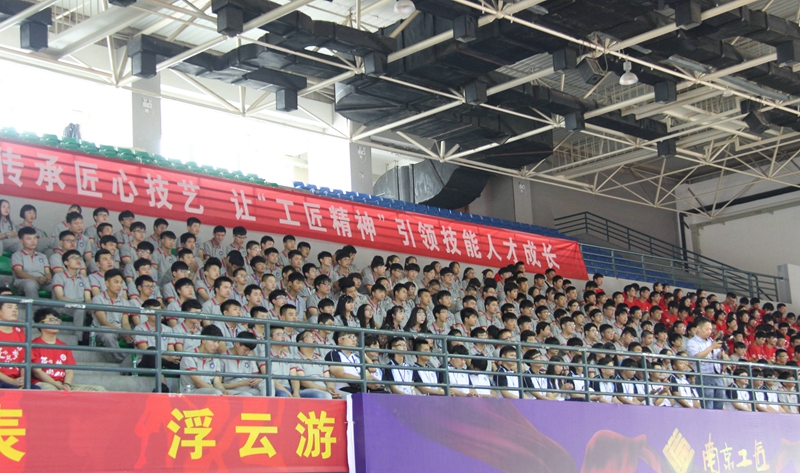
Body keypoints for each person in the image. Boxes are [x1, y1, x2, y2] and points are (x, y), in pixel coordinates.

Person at [30, 308, 105, 391]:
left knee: (99, 390)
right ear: (40, 323)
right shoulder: (34, 345)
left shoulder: (63, 346)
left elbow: (69, 370)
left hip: (62, 384)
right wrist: (58, 386)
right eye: (52, 320)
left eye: (57, 320)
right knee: (52, 391)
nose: (56, 323)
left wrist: (67, 385)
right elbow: (37, 372)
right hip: (43, 383)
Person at [134, 299, 180, 392]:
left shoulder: (168, 329)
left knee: (183, 360)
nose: (159, 313)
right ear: (147, 313)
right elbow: (145, 350)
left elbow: (170, 349)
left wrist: (171, 357)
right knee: (152, 350)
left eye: (160, 310)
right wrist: (166, 357)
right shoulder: (139, 328)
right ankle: (162, 386)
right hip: (146, 361)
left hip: (165, 359)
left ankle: (182, 389)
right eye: (155, 311)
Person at [686, 317, 729, 409]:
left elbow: (718, 356)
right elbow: (697, 357)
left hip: (717, 375)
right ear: (698, 328)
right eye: (707, 329)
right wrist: (711, 347)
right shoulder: (692, 342)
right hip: (704, 376)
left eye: (710, 329)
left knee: (719, 404)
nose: (709, 332)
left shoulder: (711, 341)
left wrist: (723, 353)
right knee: (708, 405)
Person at [91, 268, 132, 361]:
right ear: (107, 283)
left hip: (120, 330)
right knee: (108, 335)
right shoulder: (98, 299)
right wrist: (121, 331)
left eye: (121, 282)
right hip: (103, 329)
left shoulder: (124, 302)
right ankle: (124, 360)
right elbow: (103, 322)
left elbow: (125, 323)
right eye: (116, 282)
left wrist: (128, 332)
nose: (119, 285)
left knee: (137, 335)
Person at [180, 325, 228, 395]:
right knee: (217, 393)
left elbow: (217, 381)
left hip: (209, 390)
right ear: (203, 340)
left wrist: (223, 390)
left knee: (242, 394)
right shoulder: (189, 355)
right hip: (191, 391)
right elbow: (198, 383)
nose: (216, 345)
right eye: (214, 341)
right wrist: (219, 392)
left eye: (218, 342)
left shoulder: (215, 359)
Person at [0, 289, 34, 390]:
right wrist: (13, 382)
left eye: (16, 308)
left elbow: (24, 361)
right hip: (4, 381)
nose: (14, 310)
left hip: (15, 380)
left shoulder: (20, 332)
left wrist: (23, 380)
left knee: (37, 390)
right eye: (10, 307)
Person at [51, 249, 91, 327]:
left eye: (79, 258)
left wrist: (89, 307)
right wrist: (79, 304)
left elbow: (88, 299)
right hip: (63, 306)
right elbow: (60, 297)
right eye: (74, 258)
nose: (78, 260)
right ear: (66, 262)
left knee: (97, 310)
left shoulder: (84, 279)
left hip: (80, 306)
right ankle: (79, 335)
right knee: (80, 309)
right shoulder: (59, 276)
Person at [294, 330, 340, 399]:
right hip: (308, 390)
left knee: (347, 396)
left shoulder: (320, 359)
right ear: (301, 342)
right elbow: (303, 382)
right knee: (325, 396)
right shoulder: (295, 358)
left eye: (314, 336)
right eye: (310, 336)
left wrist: (332, 390)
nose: (314, 337)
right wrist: (325, 390)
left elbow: (328, 379)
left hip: (325, 389)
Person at [11, 227, 52, 299]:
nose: (33, 241)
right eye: (29, 239)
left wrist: (48, 278)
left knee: (57, 285)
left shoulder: (43, 256)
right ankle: (35, 306)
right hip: (24, 281)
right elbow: (19, 273)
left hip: (42, 281)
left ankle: (60, 306)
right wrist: (36, 279)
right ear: (21, 241)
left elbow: (47, 272)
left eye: (35, 238)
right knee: (30, 284)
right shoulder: (17, 255)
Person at [221, 332, 263, 396]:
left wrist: (258, 379)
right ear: (237, 344)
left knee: (268, 383)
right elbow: (218, 384)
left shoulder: (249, 358)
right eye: (245, 349)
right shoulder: (223, 358)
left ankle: (268, 402)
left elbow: (255, 377)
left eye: (249, 350)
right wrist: (240, 384)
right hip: (233, 388)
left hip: (249, 386)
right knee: (249, 394)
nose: (247, 353)